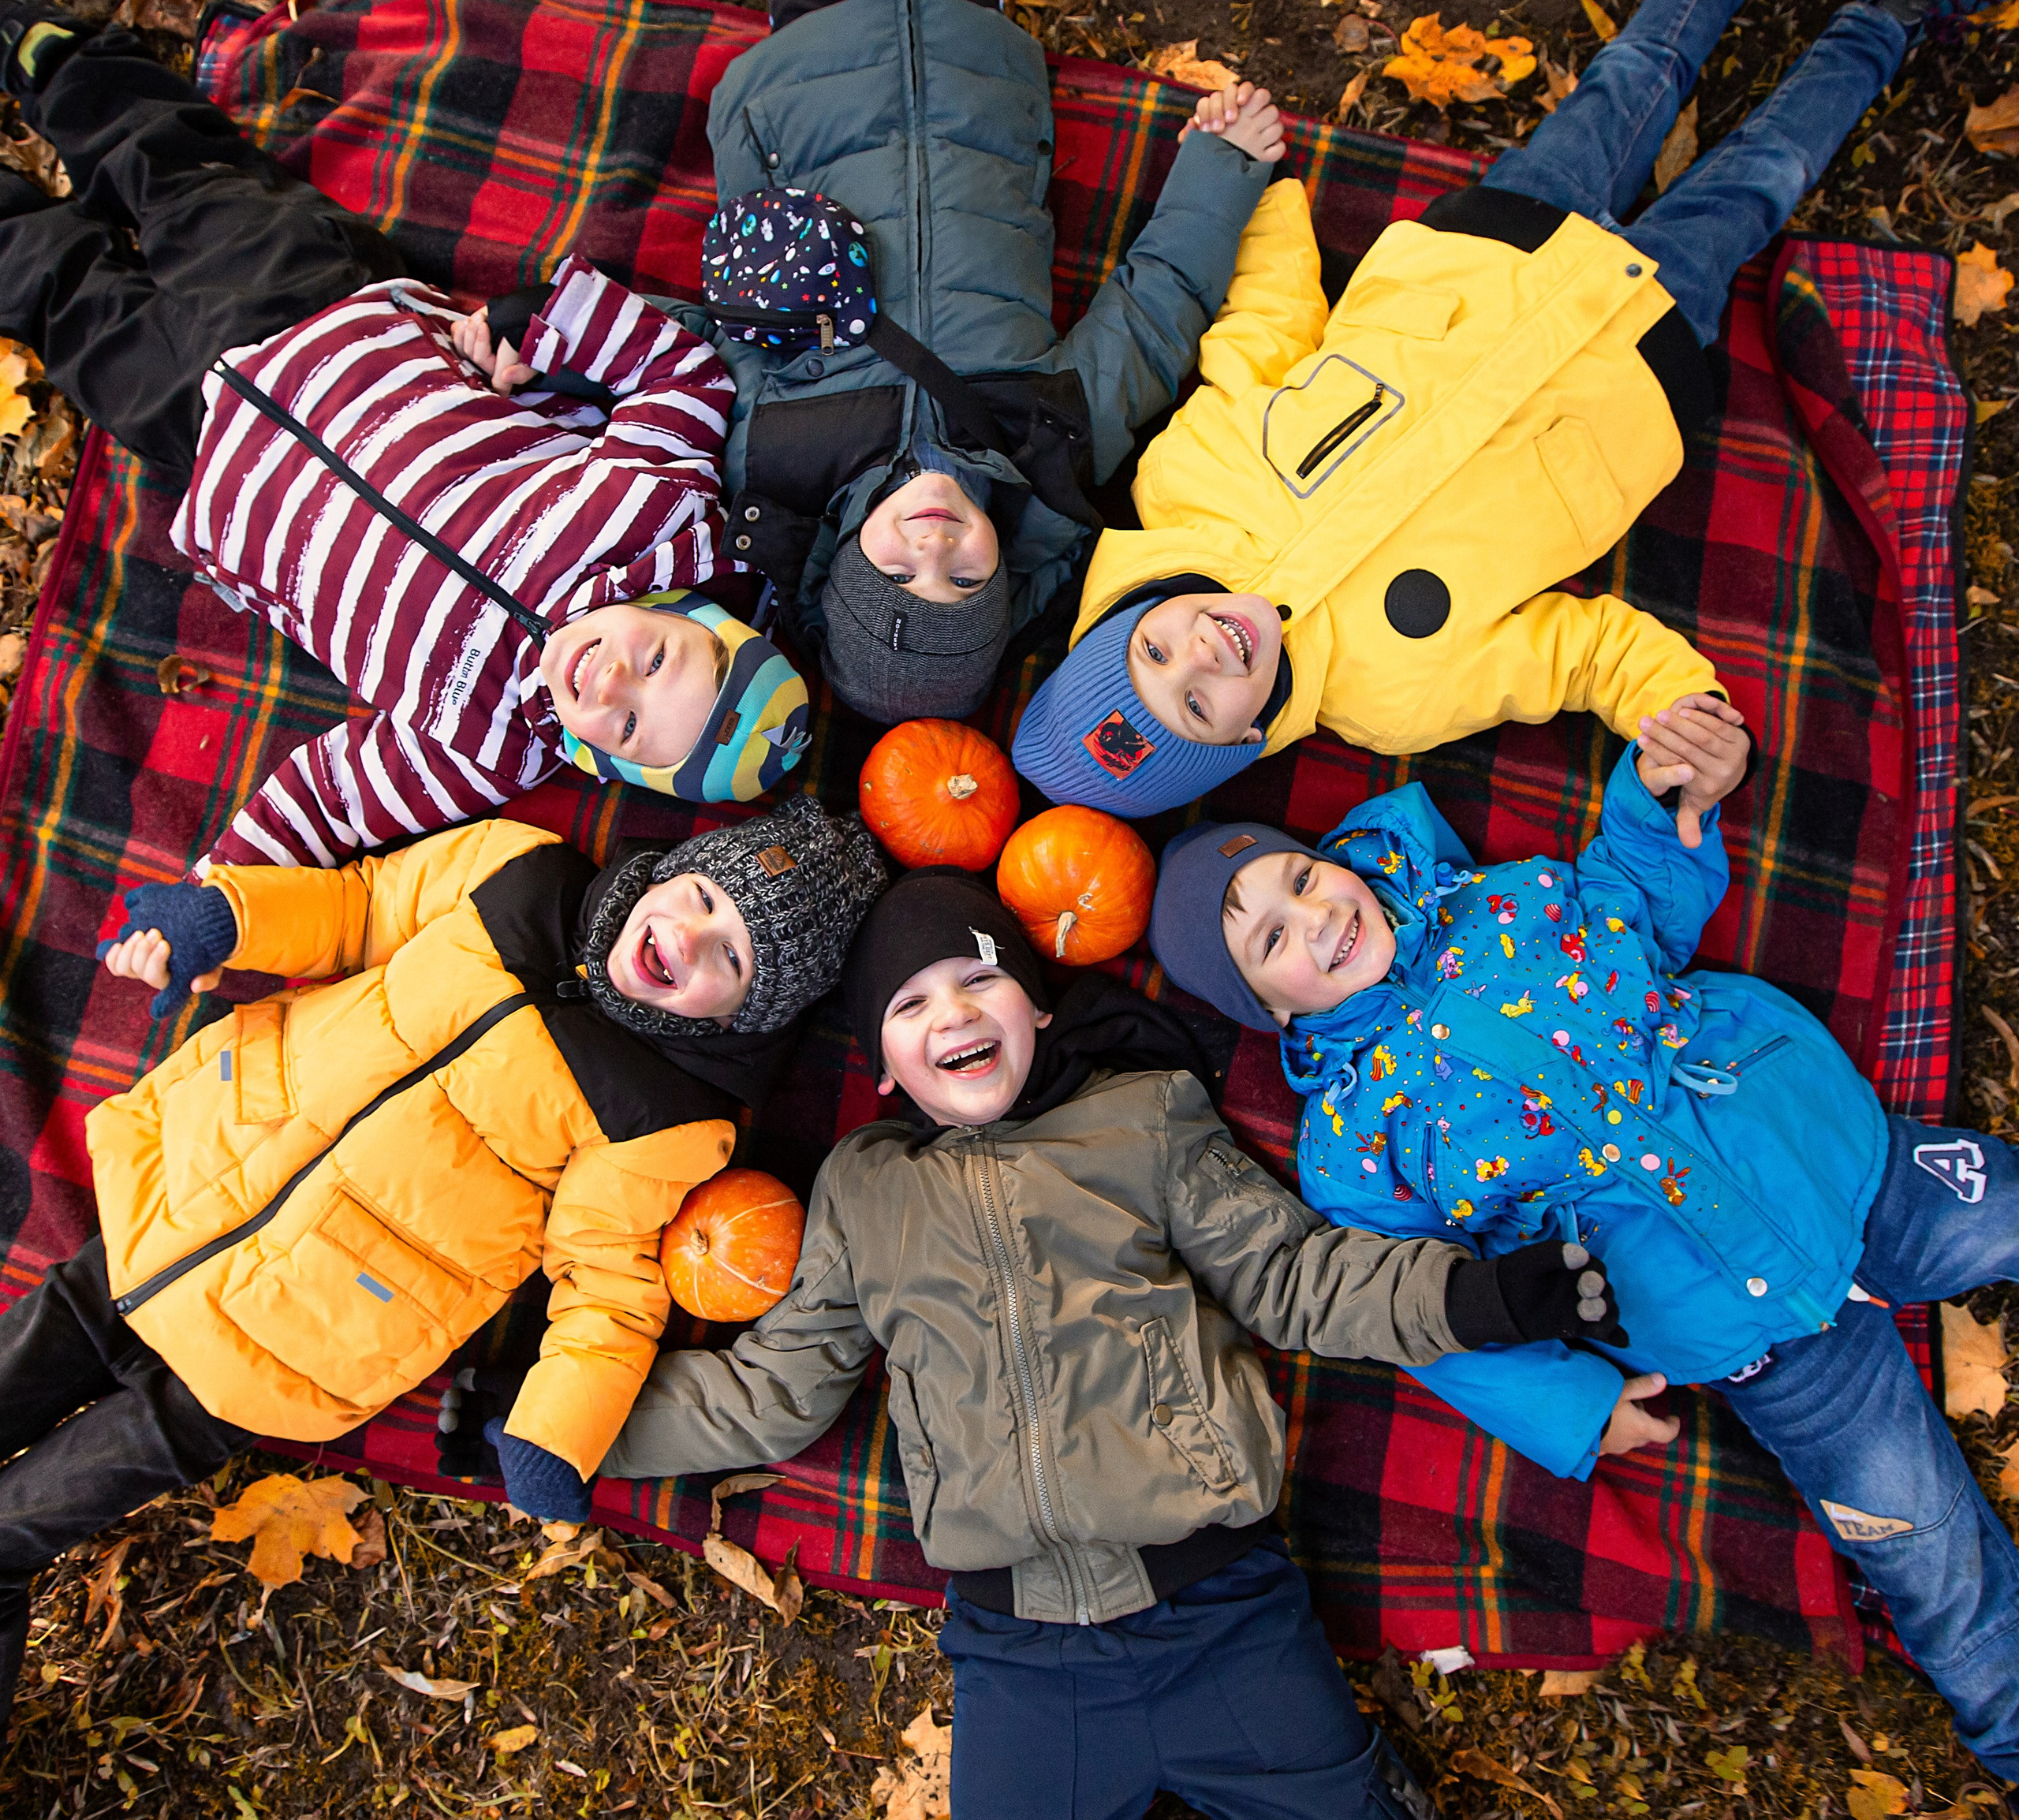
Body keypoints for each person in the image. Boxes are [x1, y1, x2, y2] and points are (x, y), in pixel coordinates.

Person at [599, 867, 1629, 1818]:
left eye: (977, 978)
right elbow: (772, 1394)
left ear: (1040, 1006)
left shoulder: (1143, 1122)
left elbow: (1296, 1279)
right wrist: (570, 1426)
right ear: (880, 1070)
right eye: (910, 1006)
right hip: (1022, 1663)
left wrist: (1486, 1297)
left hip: (1224, 1615)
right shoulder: (864, 1188)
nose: (951, 1012)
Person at [1144, 710, 2019, 1786]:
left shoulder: (1505, 899)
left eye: (1302, 881)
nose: (1314, 918)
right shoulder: (1352, 1147)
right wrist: (1570, 1408)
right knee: (1924, 1544)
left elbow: (1635, 898)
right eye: (1270, 940)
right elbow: (1430, 1311)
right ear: (1268, 1008)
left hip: (1838, 1162)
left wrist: (1652, 799)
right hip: (1748, 1335)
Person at [0, 794, 885, 1728]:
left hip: (277, 1351)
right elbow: (360, 909)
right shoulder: (523, 873)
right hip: (178, 1206)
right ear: (672, 869)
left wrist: (558, 1432)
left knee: (15, 1533)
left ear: (751, 1016)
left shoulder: (667, 1114)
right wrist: (234, 916)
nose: (688, 936)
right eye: (702, 895)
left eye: (733, 959)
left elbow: (608, 1289)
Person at [1010, 0, 1958, 819]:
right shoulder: (1399, 699)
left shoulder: (1186, 483)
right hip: (1635, 364)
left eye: (1155, 648)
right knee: (1764, 171)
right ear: (1245, 737)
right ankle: (1882, 24)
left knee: (1630, 80)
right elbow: (1575, 654)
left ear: (1130, 612)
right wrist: (1668, 706)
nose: (1203, 654)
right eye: (1198, 705)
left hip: (1488, 254)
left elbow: (1265, 332)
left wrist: (1251, 190)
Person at [0, 4, 810, 871]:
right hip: (329, 320)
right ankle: (55, 58)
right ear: (678, 610)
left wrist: (220, 894)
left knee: (61, 300)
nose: (611, 682)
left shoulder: (482, 751)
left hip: (216, 456)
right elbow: (685, 374)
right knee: (180, 175)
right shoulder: (653, 512)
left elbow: (335, 793)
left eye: (630, 726)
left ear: (603, 758)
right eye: (657, 659)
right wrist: (547, 323)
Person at [691, 0, 1286, 724]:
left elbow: (678, 350)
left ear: (842, 565)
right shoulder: (1053, 446)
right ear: (1004, 572)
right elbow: (1158, 314)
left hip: (801, 81)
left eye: (900, 572)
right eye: (966, 577)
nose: (935, 542)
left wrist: (545, 331)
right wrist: (1219, 173)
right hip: (970, 63)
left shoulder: (772, 454)